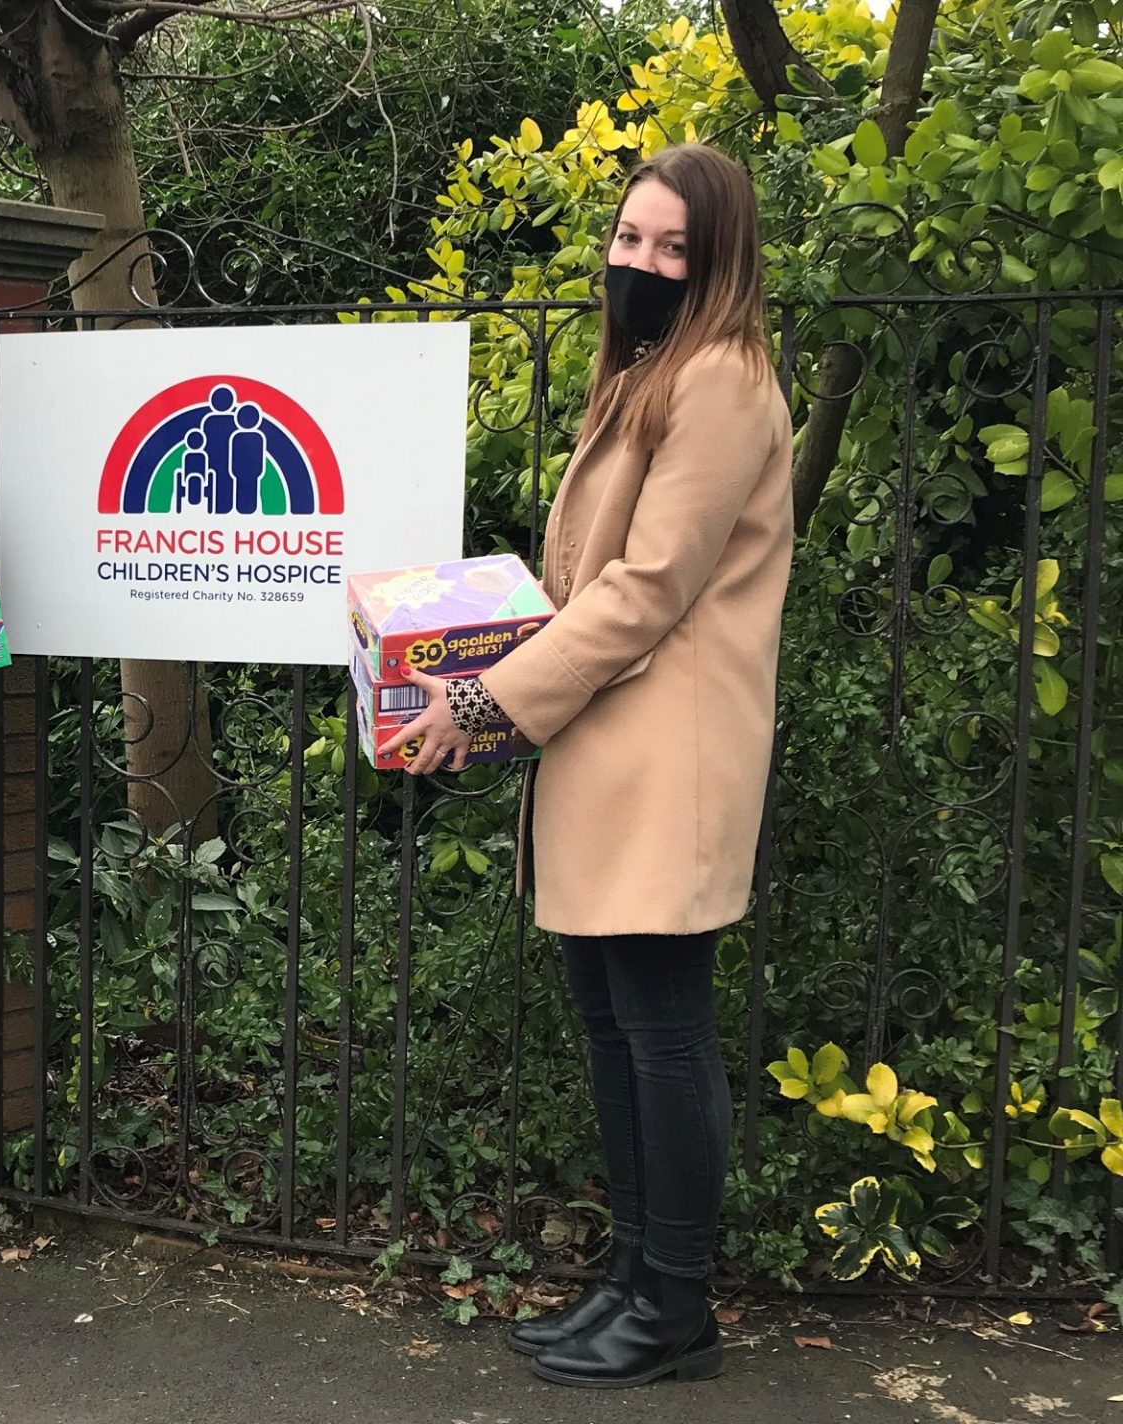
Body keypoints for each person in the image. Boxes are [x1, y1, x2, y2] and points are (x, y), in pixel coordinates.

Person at [379, 143, 793, 1388]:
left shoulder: (719, 377)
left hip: (670, 753)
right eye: (629, 239)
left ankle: (673, 1304)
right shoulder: (648, 376)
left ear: (717, 263)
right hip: (610, 744)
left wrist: (489, 700)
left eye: (673, 248)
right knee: (617, 1026)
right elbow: (584, 577)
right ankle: (636, 1277)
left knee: (661, 1030)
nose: (642, 264)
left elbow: (651, 585)